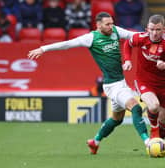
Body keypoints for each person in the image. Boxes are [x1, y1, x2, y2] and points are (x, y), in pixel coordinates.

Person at [28, 12, 149, 154]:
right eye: (107, 24)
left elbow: (133, 36)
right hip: (112, 85)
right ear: (98, 25)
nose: (111, 26)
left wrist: (152, 35)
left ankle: (95, 141)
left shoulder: (116, 31)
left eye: (112, 23)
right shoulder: (91, 38)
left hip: (121, 82)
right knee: (135, 108)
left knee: (117, 119)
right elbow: (67, 44)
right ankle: (148, 142)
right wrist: (43, 49)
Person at [123, 14, 165, 139]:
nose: (154, 33)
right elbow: (127, 44)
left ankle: (159, 143)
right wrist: (127, 60)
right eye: (151, 29)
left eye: (158, 29)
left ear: (163, 30)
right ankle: (154, 132)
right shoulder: (140, 38)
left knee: (162, 119)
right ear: (147, 28)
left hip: (163, 84)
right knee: (153, 106)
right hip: (144, 81)